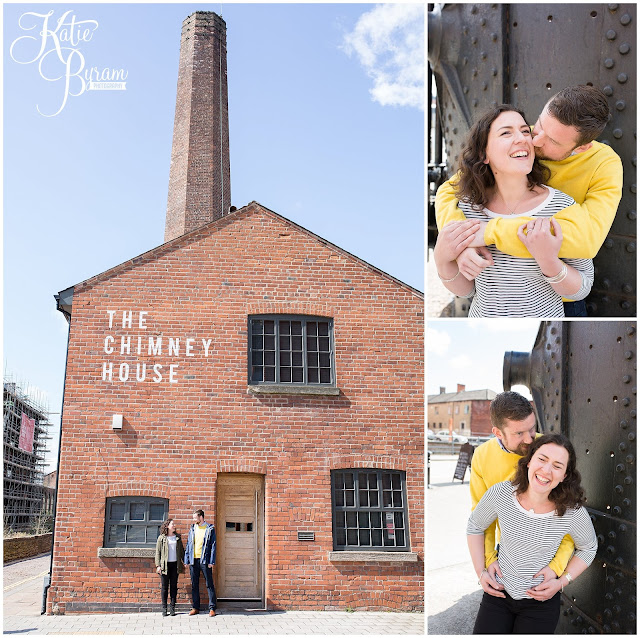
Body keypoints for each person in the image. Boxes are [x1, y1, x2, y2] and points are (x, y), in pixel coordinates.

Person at [436, 85, 623, 317]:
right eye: (539, 125)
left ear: (582, 147)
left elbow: (588, 238)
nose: (534, 140)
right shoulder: (523, 140)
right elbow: (449, 192)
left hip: (558, 298)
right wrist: (460, 243)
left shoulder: (605, 166)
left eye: (552, 141)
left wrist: (490, 231)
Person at [467, 433, 598, 633]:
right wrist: (480, 571)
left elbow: (588, 547)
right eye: (542, 459)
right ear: (529, 462)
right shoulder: (501, 494)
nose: (546, 470)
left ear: (564, 475)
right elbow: (475, 525)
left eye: (557, 465)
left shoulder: (571, 511)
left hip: (541, 604)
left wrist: (562, 582)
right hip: (498, 595)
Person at [470, 392, 574, 600]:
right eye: (519, 434)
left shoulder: (548, 449)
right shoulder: (482, 456)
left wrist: (556, 568)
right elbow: (481, 519)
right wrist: (488, 562)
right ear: (498, 433)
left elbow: (569, 517)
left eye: (532, 429)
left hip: (547, 558)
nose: (530, 439)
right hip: (508, 556)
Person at [184, 509, 217, 617]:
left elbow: (213, 545)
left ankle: (212, 608)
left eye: (195, 517)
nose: (194, 520)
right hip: (194, 560)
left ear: (201, 517)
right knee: (194, 585)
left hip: (205, 560)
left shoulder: (209, 529)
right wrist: (186, 559)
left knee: (209, 584)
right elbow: (189, 544)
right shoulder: (193, 528)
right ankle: (195, 607)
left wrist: (211, 561)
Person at [155, 518, 185, 616]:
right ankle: (164, 608)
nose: (174, 525)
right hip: (165, 566)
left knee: (173, 587)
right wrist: (158, 565)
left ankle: (172, 608)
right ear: (167, 526)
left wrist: (185, 561)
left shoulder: (177, 537)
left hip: (175, 565)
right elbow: (157, 553)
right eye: (172, 524)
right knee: (164, 587)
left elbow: (181, 551)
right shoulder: (162, 538)